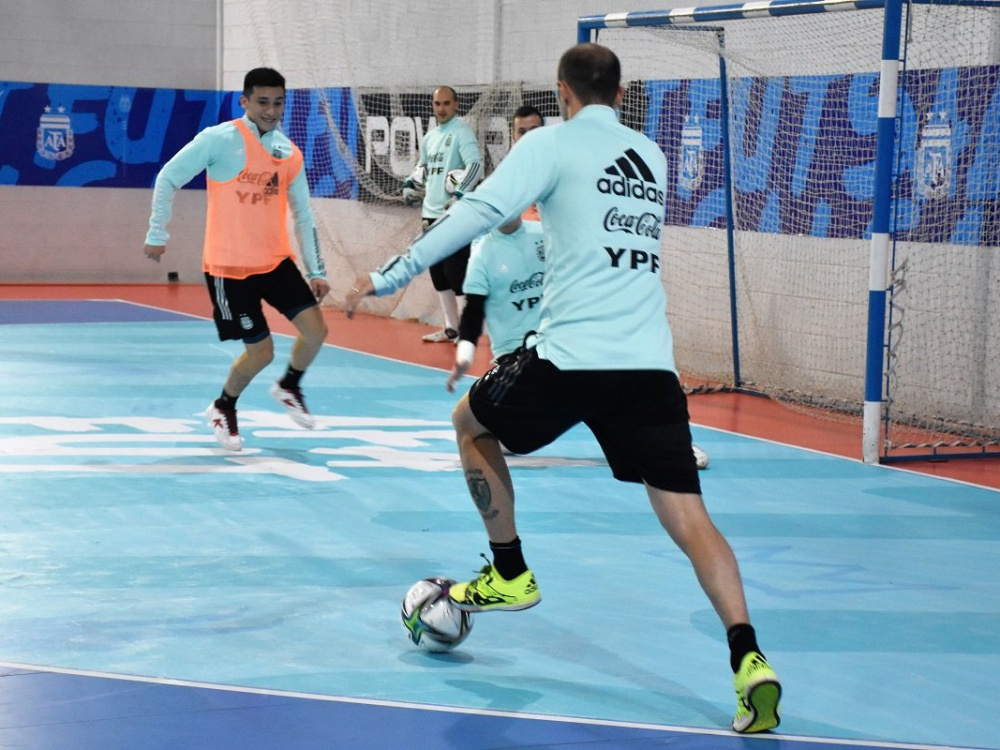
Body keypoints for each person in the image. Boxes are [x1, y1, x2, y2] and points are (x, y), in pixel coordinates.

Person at [345, 44, 780, 733]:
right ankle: (749, 658)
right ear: (620, 92)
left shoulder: (552, 143)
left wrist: (393, 274)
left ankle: (509, 570)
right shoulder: (650, 157)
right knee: (690, 519)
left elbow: (476, 212)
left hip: (573, 358)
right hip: (650, 367)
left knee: (469, 420)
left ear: (562, 93)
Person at [144, 67, 330, 451]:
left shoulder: (288, 152)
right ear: (244, 101)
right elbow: (167, 177)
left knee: (316, 331)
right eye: (262, 102)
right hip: (229, 270)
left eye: (278, 102)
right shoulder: (220, 139)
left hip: (276, 262)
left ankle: (290, 385)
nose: (271, 110)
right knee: (261, 352)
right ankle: (223, 406)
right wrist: (157, 233)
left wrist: (316, 270)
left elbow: (304, 215)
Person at [445, 105, 546, 392]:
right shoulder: (483, 254)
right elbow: (473, 313)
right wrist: (464, 357)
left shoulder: (544, 233)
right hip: (512, 355)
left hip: (554, 349)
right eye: (521, 131)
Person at [401, 85, 483, 343]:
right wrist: (409, 185)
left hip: (453, 216)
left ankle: (468, 331)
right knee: (438, 273)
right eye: (437, 104)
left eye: (447, 103)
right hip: (430, 214)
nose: (442, 109)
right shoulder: (430, 137)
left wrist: (459, 195)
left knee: (456, 272)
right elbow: (422, 168)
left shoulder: (462, 133)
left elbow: (476, 165)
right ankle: (451, 328)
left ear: (456, 104)